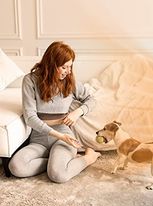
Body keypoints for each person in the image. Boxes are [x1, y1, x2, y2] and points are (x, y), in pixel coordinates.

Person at [9, 41, 100, 183]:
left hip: (64, 137)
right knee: (16, 167)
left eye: (70, 67)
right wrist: (59, 135)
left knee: (58, 176)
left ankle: (88, 158)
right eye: (64, 67)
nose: (68, 71)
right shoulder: (30, 80)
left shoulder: (70, 82)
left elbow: (91, 99)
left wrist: (77, 112)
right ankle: (57, 162)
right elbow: (30, 118)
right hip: (39, 139)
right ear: (51, 64)